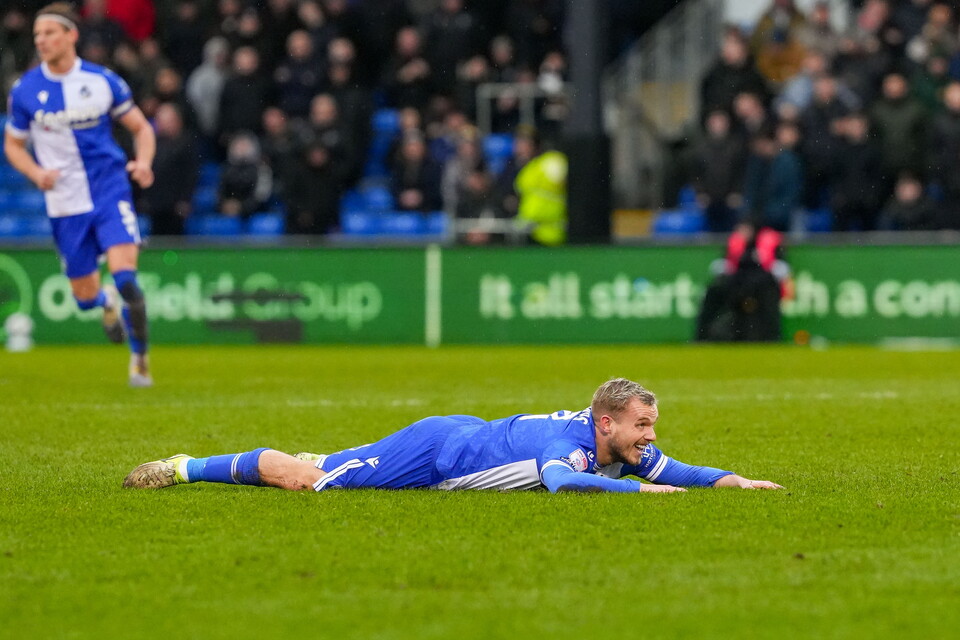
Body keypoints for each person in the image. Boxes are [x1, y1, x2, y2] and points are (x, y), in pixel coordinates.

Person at [123, 378, 783, 493]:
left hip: (467, 435)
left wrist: (736, 481)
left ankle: (332, 458)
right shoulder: (575, 449)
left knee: (338, 463)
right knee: (311, 483)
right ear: (607, 422)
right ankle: (186, 466)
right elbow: (561, 482)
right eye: (643, 425)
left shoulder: (619, 444)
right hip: (437, 454)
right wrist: (643, 494)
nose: (651, 437)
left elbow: (677, 471)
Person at [4, 2, 156, 387]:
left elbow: (141, 128)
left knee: (126, 278)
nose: (41, 41)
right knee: (85, 298)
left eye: (49, 33)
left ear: (71, 35)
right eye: (37, 35)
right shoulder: (25, 90)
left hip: (109, 190)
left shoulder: (103, 81)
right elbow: (13, 145)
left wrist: (143, 162)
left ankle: (140, 360)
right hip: (65, 202)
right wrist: (36, 172)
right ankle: (104, 302)